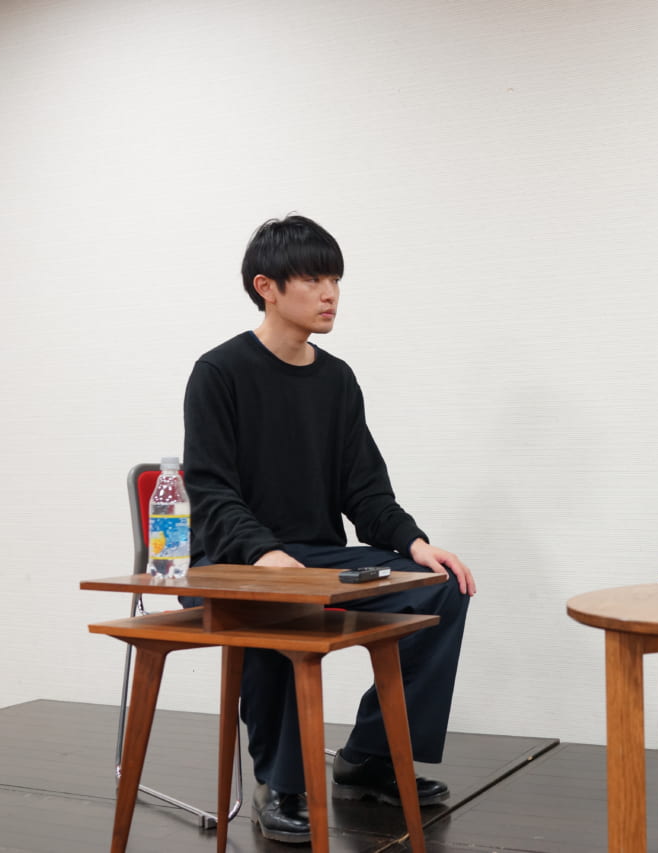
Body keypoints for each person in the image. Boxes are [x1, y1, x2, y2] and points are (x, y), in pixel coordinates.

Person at [182, 214, 476, 844]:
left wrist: (416, 543)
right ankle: (280, 782)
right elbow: (210, 490)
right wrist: (264, 553)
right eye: (314, 279)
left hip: (313, 557)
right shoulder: (219, 372)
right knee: (284, 601)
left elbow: (364, 490)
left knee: (442, 587)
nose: (330, 294)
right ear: (266, 287)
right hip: (232, 560)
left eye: (335, 279)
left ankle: (368, 758)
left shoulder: (337, 379)